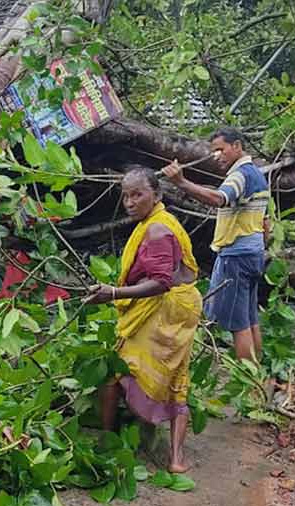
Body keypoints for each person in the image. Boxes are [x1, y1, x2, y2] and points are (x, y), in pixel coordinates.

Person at [86, 168, 202, 473]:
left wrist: (113, 292)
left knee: (116, 369)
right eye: (125, 195)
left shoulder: (157, 230)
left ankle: (106, 441)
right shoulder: (157, 222)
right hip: (179, 308)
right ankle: (176, 459)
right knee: (177, 380)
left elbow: (161, 282)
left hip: (163, 310)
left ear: (157, 195)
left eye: (137, 194)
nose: (129, 202)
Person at [163, 128, 269, 362]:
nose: (217, 156)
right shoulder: (258, 176)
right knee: (250, 318)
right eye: (213, 152)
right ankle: (261, 371)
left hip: (237, 256)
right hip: (253, 253)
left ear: (237, 146)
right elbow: (266, 222)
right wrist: (260, 249)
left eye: (221, 149)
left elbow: (218, 199)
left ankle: (250, 386)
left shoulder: (239, 175)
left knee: (238, 324)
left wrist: (181, 182)